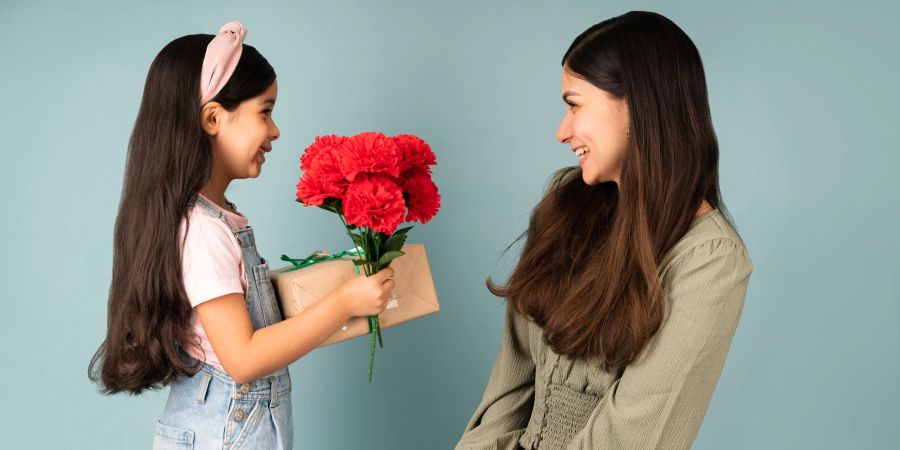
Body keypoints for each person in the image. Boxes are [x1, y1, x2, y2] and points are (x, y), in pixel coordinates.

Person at [88, 21, 395, 449]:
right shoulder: (203, 230)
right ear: (213, 118)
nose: (275, 131)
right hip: (226, 430)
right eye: (265, 111)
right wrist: (345, 303)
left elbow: (231, 313)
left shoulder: (219, 217)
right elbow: (244, 357)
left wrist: (306, 284)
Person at [457, 11, 753, 450]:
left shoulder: (709, 260)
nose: (562, 131)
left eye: (574, 104)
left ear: (636, 104)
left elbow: (631, 437)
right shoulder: (563, 204)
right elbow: (508, 388)